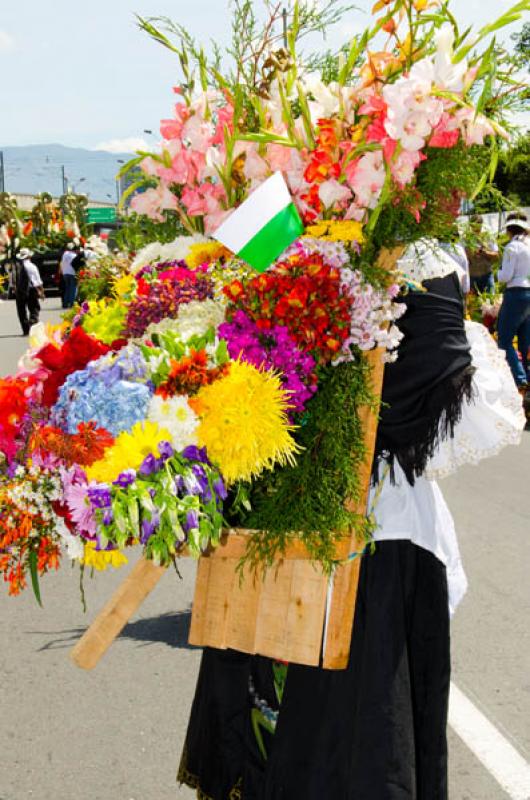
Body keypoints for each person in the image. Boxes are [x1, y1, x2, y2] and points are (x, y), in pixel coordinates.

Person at [177, 247, 525, 799]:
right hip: (363, 537)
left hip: (283, 524)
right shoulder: (404, 249)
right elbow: (433, 391)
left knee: (290, 728)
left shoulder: (270, 237)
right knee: (354, 749)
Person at [496, 212, 530, 392]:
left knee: (504, 339)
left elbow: (505, 276)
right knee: (525, 339)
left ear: (509, 229)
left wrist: (497, 274)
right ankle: (527, 373)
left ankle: (519, 378)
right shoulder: (528, 245)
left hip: (515, 292)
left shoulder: (512, 247)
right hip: (529, 292)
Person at [13, 247, 44, 336]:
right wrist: (42, 292)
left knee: (21, 311)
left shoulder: (16, 266)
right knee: (34, 308)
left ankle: (25, 329)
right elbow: (38, 281)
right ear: (29, 256)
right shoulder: (32, 266)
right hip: (31, 290)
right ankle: (32, 322)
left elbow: (12, 280)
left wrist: (15, 289)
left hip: (20, 291)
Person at [465, 214, 498, 293]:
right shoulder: (465, 239)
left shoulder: (488, 237)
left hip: (486, 275)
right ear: (470, 225)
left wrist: (484, 252)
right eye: (474, 226)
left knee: (490, 302)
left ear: (481, 224)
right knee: (473, 303)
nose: (476, 228)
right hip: (472, 276)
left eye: (478, 225)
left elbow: (496, 255)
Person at [59, 243, 78, 308]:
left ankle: (65, 303)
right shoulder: (74, 255)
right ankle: (72, 303)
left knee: (67, 288)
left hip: (65, 273)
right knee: (73, 289)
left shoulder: (64, 254)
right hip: (72, 273)